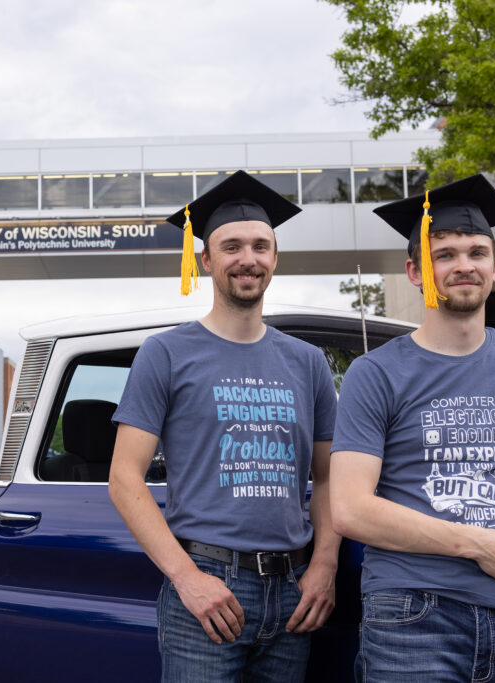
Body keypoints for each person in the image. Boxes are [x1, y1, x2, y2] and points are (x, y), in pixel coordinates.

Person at [109, 170, 340, 682]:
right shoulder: (166, 354)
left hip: (294, 592)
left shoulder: (307, 363)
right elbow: (124, 477)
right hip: (208, 587)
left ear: (275, 258)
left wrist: (324, 565)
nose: (248, 258)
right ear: (206, 260)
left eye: (261, 245)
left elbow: (328, 477)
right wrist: (187, 579)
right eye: (231, 246)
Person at [330, 173, 495, 682]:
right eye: (445, 254)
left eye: (477, 252)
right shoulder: (376, 372)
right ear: (417, 272)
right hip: (412, 614)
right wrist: (476, 545)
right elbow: (349, 508)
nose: (464, 266)